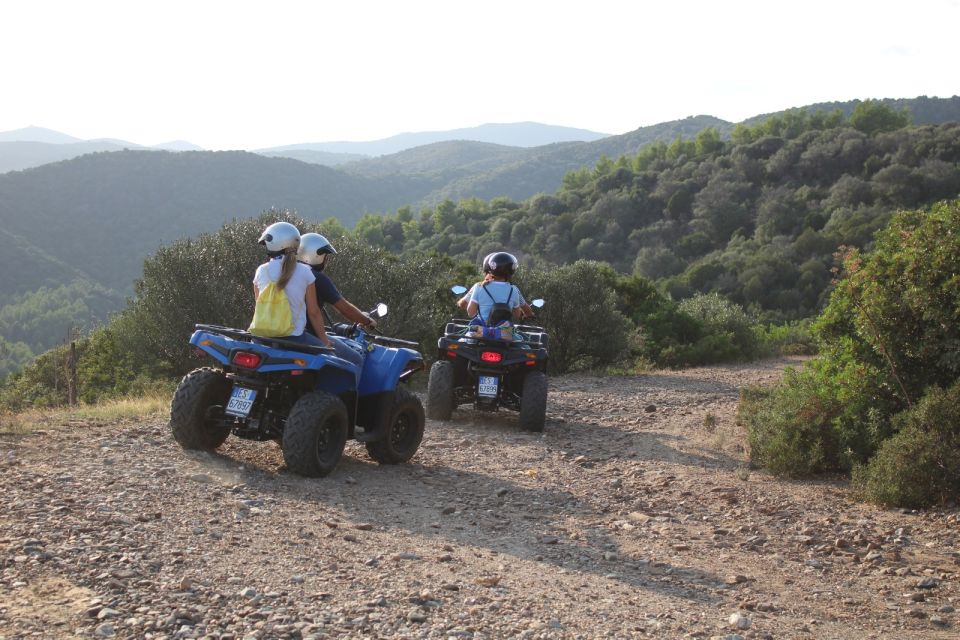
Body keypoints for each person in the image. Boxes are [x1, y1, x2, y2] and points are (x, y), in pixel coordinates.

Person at [297, 232, 374, 370]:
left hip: (283, 332)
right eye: (326, 257)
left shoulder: (286, 271)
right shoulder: (316, 277)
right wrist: (366, 320)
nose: (326, 261)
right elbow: (345, 309)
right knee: (357, 359)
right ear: (316, 255)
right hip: (307, 334)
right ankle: (350, 392)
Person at [251, 222, 331, 349]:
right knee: (333, 360)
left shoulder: (261, 270)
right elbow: (313, 312)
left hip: (262, 337)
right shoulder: (305, 271)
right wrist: (325, 342)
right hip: (294, 337)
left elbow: (259, 303)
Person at [464, 251, 534, 326]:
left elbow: (471, 313)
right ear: (511, 270)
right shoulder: (513, 290)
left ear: (492, 267)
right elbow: (517, 315)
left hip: (481, 332)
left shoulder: (479, 286)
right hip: (503, 333)